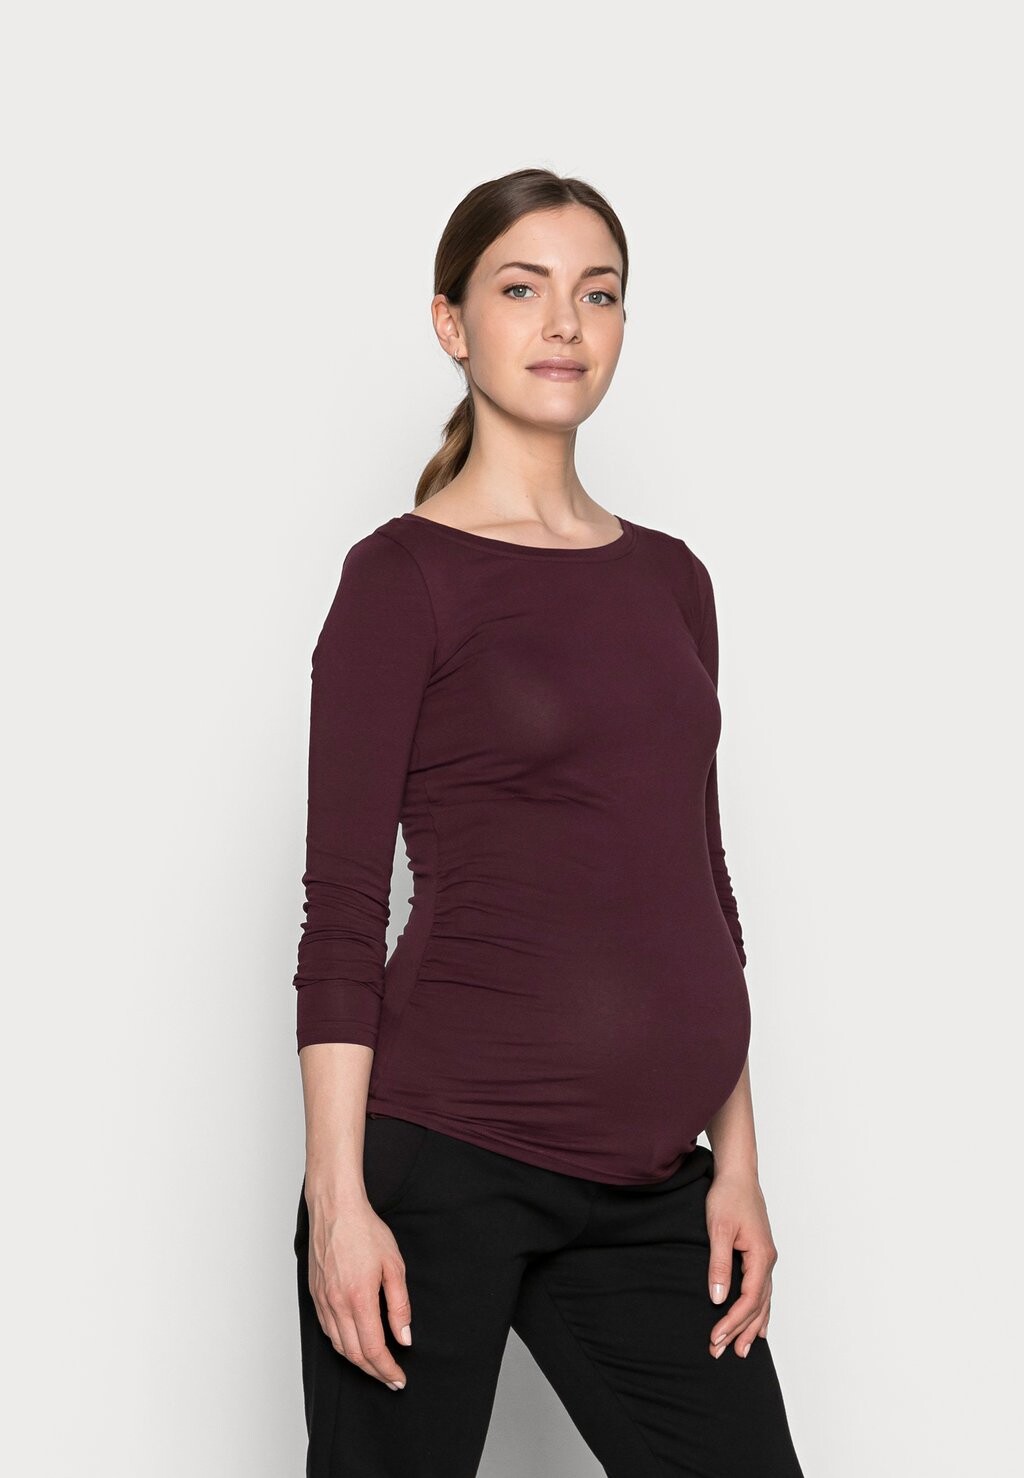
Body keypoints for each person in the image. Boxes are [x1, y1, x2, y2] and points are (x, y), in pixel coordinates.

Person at [291, 167, 805, 1477]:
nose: (565, 323)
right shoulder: (402, 579)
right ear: (452, 324)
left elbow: (696, 883)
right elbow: (341, 912)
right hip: (446, 1163)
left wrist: (735, 1164)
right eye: (522, 289)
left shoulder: (673, 580)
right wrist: (338, 1202)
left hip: (653, 1184)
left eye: (598, 293)